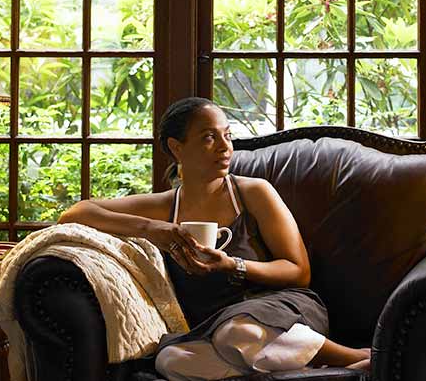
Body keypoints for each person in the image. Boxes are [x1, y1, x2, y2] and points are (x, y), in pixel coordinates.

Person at [58, 97, 369, 380]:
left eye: (227, 136)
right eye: (209, 138)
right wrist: (152, 229)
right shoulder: (165, 207)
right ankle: (301, 368)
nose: (225, 147)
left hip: (281, 310)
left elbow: (298, 271)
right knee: (171, 360)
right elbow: (75, 213)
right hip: (211, 327)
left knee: (237, 333)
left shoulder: (254, 192)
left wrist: (234, 265)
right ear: (177, 147)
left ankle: (352, 358)